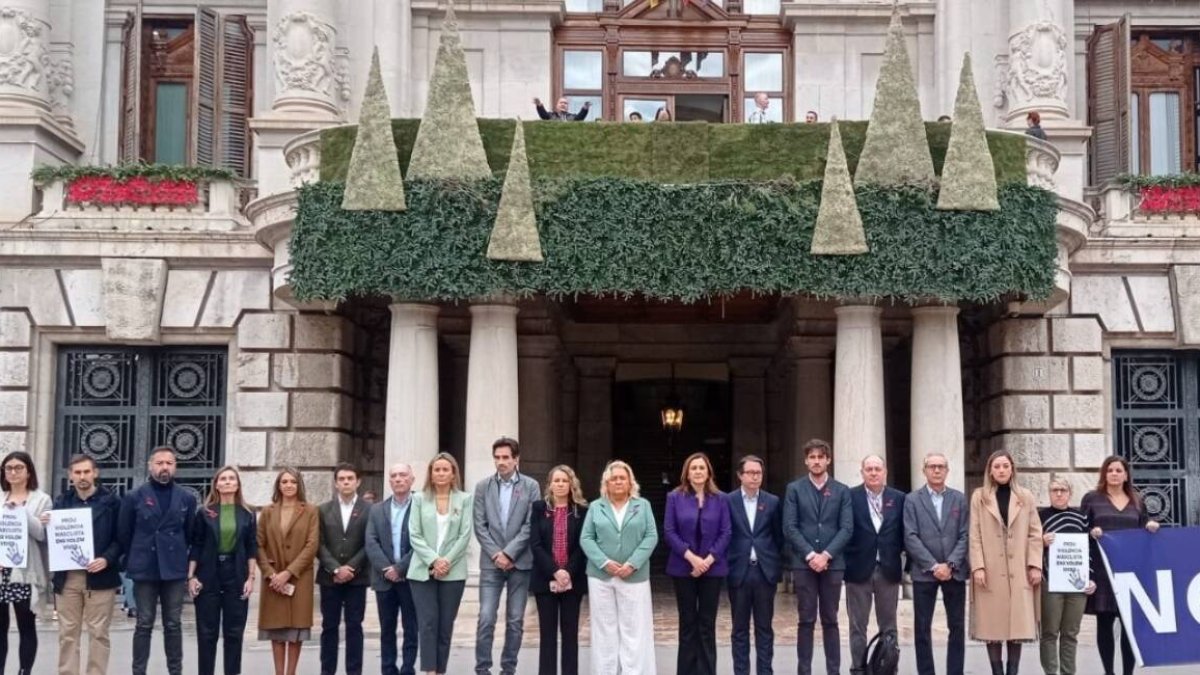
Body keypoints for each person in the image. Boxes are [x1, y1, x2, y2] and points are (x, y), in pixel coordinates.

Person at [118, 446, 197, 675]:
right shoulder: (134, 496)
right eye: (160, 463)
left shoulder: (187, 498)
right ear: (150, 466)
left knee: (173, 623)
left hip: (173, 568)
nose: (164, 467)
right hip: (145, 567)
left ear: (175, 467)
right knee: (144, 623)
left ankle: (175, 671)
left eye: (169, 463)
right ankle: (138, 671)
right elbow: (125, 533)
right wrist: (129, 562)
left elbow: (190, 533)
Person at [1082, 456, 1159, 675]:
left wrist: (1151, 526)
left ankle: (1127, 673)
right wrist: (1091, 532)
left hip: (1130, 572)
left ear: (1126, 475)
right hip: (1102, 569)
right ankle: (1109, 672)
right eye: (1110, 470)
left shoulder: (1137, 500)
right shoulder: (1092, 499)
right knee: (1104, 623)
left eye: (1119, 470)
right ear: (1104, 474)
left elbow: (1144, 527)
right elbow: (1081, 530)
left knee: (1129, 627)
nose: (1114, 474)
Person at [580, 460, 658, 675]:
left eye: (622, 478)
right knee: (605, 628)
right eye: (613, 478)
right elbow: (586, 537)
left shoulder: (642, 506)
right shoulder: (596, 506)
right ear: (607, 482)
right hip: (600, 576)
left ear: (630, 481)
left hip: (634, 576)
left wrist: (632, 563)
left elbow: (651, 536)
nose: (618, 482)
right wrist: (604, 562)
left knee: (634, 629)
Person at [968, 450, 1043, 675]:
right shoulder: (979, 497)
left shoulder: (1025, 497)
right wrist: (978, 566)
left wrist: (1035, 564)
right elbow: (975, 533)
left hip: (1018, 569)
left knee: (1017, 626)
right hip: (990, 570)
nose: (1001, 470)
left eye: (1005, 466)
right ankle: (997, 671)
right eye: (997, 466)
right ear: (990, 471)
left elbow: (1034, 532)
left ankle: (1013, 671)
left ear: (1012, 469)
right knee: (992, 626)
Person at [783, 438, 853, 675]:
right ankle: (804, 670)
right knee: (805, 620)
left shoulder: (842, 490)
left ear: (828, 460)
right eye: (811, 457)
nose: (816, 461)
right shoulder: (794, 489)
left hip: (833, 566)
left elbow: (846, 528)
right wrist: (812, 555)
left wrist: (827, 555)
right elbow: (790, 527)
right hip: (804, 565)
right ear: (806, 461)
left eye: (820, 457)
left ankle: (834, 670)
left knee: (831, 620)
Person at [49, 454, 121, 675]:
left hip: (100, 576)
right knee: (68, 633)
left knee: (99, 632)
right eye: (77, 472)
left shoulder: (112, 502)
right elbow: (56, 539)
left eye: (86, 472)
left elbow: (121, 538)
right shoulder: (61, 502)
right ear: (70, 475)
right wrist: (47, 524)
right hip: (68, 577)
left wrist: (106, 559)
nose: (82, 476)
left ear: (95, 473)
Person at [473, 437, 540, 675]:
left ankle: (508, 669)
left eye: (505, 458)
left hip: (520, 563)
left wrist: (510, 553)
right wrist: (496, 555)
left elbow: (531, 524)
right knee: (486, 618)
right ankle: (482, 669)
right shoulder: (483, 487)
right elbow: (479, 525)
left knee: (515, 620)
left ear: (516, 459)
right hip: (491, 565)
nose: (501, 462)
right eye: (497, 457)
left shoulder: (531, 486)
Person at [188, 466, 258, 675]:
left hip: (235, 573)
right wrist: (191, 576)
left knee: (234, 633)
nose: (227, 482)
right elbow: (196, 545)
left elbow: (252, 546)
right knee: (206, 633)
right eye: (223, 479)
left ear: (237, 484)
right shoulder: (205, 512)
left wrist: (251, 577)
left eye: (231, 479)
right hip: (208, 572)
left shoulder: (247, 513)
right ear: (216, 484)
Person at [664, 452, 730, 675]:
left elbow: (726, 532)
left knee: (707, 624)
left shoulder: (721, 498)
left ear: (708, 471)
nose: (698, 471)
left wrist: (708, 560)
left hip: (713, 569)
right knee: (688, 623)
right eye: (694, 468)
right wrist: (692, 558)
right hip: (683, 568)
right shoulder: (674, 497)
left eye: (702, 468)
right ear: (687, 473)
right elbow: (669, 531)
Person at [904, 452, 969, 675]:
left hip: (955, 572)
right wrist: (933, 565)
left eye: (941, 466)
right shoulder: (912, 500)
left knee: (957, 627)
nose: (937, 470)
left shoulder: (959, 499)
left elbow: (965, 535)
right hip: (924, 573)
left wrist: (950, 564)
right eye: (932, 466)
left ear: (947, 470)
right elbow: (910, 536)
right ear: (924, 471)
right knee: (922, 628)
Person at [408, 452, 474, 675]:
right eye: (437, 469)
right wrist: (434, 560)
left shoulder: (465, 499)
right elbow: (414, 534)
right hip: (422, 571)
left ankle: (440, 670)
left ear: (453, 473)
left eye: (446, 469)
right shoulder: (418, 498)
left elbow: (464, 535)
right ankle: (429, 670)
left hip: (453, 572)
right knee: (427, 624)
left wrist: (445, 561)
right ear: (431, 474)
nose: (441, 473)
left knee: (445, 627)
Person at [845, 455, 906, 675]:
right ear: (862, 472)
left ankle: (888, 668)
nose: (873, 473)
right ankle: (858, 669)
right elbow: (844, 531)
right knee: (857, 628)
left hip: (888, 570)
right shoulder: (850, 497)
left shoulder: (899, 498)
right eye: (869, 469)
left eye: (877, 469)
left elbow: (904, 533)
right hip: (858, 570)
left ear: (885, 472)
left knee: (889, 627)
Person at [257, 467, 320, 675]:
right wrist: (270, 573)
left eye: (292, 482)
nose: (289, 486)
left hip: (299, 578)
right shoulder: (268, 512)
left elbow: (312, 545)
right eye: (284, 482)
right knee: (277, 631)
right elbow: (258, 544)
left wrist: (289, 572)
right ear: (278, 485)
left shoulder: (310, 510)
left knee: (295, 632)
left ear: (298, 484)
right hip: (273, 578)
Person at [529, 465, 589, 675]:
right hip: (545, 579)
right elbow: (535, 544)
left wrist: (567, 572)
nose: (561, 484)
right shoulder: (538, 508)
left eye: (565, 480)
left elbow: (584, 545)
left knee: (570, 634)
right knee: (547, 635)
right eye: (557, 481)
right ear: (550, 485)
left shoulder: (582, 511)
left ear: (572, 484)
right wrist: (555, 571)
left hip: (574, 581)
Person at [726, 455, 783, 675]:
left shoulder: (772, 501)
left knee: (764, 629)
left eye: (758, 473)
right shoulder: (728, 501)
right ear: (740, 475)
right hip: (738, 571)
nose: (754, 477)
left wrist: (774, 563)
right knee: (739, 629)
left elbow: (778, 537)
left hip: (764, 572)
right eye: (750, 473)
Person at [365, 463, 419, 675]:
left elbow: (422, 542)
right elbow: (371, 541)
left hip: (411, 577)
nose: (398, 479)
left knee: (411, 628)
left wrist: (400, 568)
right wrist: (387, 568)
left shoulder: (421, 506)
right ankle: (388, 669)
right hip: (384, 580)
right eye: (394, 476)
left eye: (403, 475)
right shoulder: (377, 510)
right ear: (389, 481)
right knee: (387, 629)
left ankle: (407, 668)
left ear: (411, 479)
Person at [317, 463, 371, 675]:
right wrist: (335, 569)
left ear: (358, 481)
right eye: (342, 479)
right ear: (336, 483)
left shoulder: (369, 509)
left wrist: (351, 567)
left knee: (354, 627)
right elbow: (318, 543)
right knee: (329, 627)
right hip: (330, 579)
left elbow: (370, 542)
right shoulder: (323, 509)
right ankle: (327, 670)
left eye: (350, 478)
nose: (346, 482)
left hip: (357, 579)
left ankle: (354, 671)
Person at [0, 451, 50, 675]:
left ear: (28, 471)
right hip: (1, 571)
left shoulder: (41, 499)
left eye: (18, 467)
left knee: (26, 625)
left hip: (25, 572)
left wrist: (21, 512)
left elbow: (41, 534)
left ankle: (24, 671)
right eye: (8, 468)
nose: (13, 472)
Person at [1039, 477, 1095, 675]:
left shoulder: (1081, 518)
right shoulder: (1040, 516)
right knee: (1049, 632)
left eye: (1063, 489)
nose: (1059, 493)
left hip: (1077, 585)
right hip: (1050, 583)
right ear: (1049, 493)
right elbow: (1027, 546)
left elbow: (1089, 550)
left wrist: (1091, 578)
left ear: (1070, 493)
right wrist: (1040, 541)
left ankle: (1068, 672)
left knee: (1070, 633)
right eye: (1054, 490)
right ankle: (1051, 672)